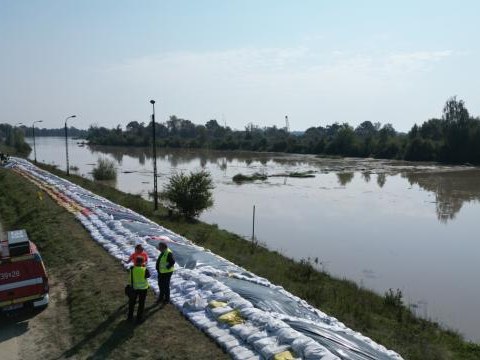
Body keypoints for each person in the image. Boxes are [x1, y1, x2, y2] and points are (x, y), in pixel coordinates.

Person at [128, 256, 150, 323]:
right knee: (141, 303)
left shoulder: (132, 269)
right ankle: (139, 318)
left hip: (134, 288)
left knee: (132, 303)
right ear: (142, 262)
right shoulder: (145, 269)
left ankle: (130, 316)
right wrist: (144, 267)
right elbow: (148, 276)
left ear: (135, 262)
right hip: (143, 289)